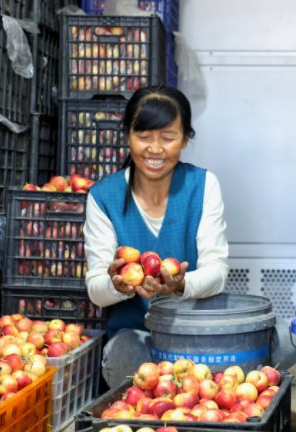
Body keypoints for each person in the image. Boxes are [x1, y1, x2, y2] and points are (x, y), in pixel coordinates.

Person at [85, 86, 229, 386]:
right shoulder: (103, 197)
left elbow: (217, 272)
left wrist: (181, 285)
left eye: (168, 137)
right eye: (143, 136)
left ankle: (196, 376)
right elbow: (96, 289)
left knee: (279, 336)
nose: (154, 149)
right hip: (139, 337)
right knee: (125, 356)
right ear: (127, 136)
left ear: (186, 139)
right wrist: (118, 285)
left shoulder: (202, 186)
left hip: (195, 331)